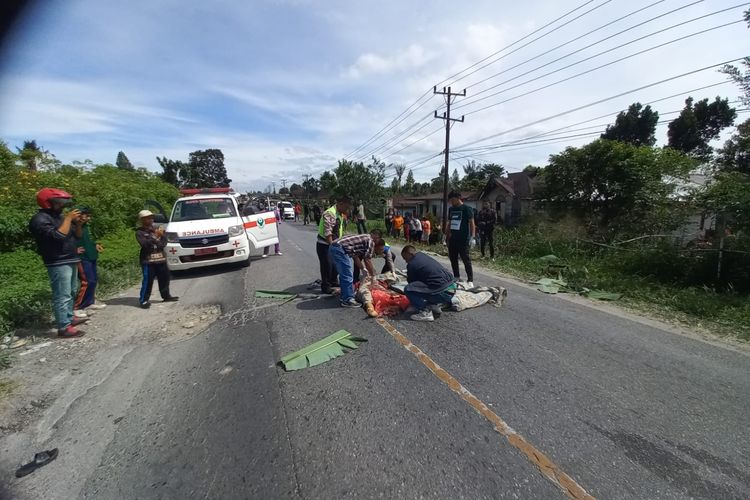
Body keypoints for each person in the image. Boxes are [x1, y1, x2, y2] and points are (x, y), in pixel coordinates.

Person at [29, 188, 88, 337]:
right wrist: (68, 219)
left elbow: (77, 236)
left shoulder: (60, 217)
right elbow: (57, 236)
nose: (62, 205)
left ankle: (69, 317)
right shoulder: (40, 219)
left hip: (71, 257)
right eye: (59, 202)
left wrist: (78, 224)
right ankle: (63, 327)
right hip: (57, 261)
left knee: (72, 291)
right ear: (48, 203)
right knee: (62, 294)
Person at [401, 245, 457, 322]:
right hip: (452, 289)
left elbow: (412, 284)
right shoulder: (422, 255)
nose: (406, 261)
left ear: (410, 254)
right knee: (426, 286)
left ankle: (425, 312)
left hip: (443, 293)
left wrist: (413, 302)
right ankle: (433, 305)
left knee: (408, 289)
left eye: (405, 258)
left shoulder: (412, 264)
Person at [329, 233, 385, 308]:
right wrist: (373, 276)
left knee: (345, 274)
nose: (381, 251)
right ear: (376, 246)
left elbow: (355, 257)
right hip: (339, 248)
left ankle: (344, 296)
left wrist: (362, 268)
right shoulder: (371, 242)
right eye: (380, 249)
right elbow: (367, 260)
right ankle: (347, 300)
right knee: (347, 275)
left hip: (336, 247)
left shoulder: (363, 241)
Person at [136, 210, 178, 308]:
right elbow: (145, 244)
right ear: (142, 220)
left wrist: (159, 238)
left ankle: (166, 296)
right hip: (148, 260)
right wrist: (155, 238)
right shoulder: (140, 232)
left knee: (164, 278)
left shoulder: (157, 229)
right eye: (147, 218)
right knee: (148, 281)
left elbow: (164, 242)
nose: (150, 219)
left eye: (151, 217)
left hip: (161, 258)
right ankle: (143, 300)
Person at [73, 205, 106, 315]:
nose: (88, 218)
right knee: (87, 281)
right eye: (86, 216)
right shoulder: (71, 226)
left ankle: (89, 302)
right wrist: (78, 224)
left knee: (94, 280)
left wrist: (95, 245)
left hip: (91, 255)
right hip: (82, 258)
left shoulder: (86, 226)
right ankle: (77, 307)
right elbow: (76, 237)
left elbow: (88, 239)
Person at [316, 197, 351, 294]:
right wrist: (332, 248)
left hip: (335, 243)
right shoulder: (330, 213)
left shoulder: (340, 214)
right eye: (346, 207)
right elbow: (328, 233)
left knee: (336, 264)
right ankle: (326, 286)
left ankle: (333, 281)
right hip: (325, 244)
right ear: (340, 203)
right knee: (327, 266)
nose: (347, 210)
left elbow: (338, 229)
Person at [445, 191, 476, 288]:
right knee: (453, 259)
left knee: (466, 260)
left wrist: (473, 237)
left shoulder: (467, 209)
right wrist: (445, 234)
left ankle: (470, 279)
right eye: (450, 201)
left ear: (458, 198)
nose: (451, 202)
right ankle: (456, 276)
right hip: (453, 238)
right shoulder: (451, 209)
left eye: (452, 200)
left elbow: (472, 223)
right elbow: (449, 223)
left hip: (463, 239)